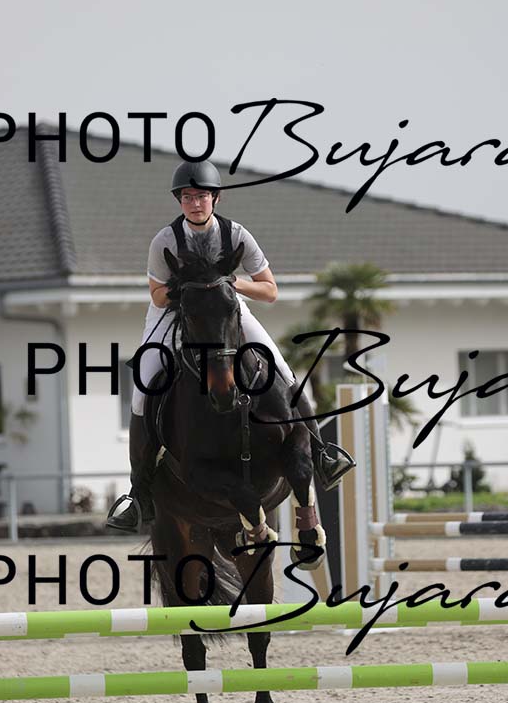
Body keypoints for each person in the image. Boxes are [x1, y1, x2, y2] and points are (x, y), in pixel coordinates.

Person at [106, 159, 355, 532]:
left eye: (201, 196)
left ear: (215, 198)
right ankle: (138, 492)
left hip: (227, 309)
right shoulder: (164, 241)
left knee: (283, 369)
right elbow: (157, 295)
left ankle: (321, 453)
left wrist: (231, 285)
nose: (195, 203)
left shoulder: (236, 235)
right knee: (144, 387)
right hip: (174, 314)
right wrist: (188, 291)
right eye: (188, 197)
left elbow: (269, 290)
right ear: (179, 201)